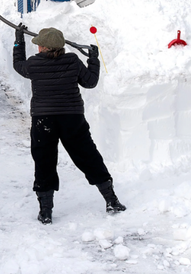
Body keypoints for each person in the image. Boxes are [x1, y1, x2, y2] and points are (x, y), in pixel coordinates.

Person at [13, 25, 126, 225]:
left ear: (44, 48)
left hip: (43, 120)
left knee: (44, 161)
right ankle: (111, 200)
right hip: (72, 118)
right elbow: (90, 82)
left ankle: (45, 211)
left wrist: (18, 42)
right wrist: (93, 60)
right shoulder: (72, 61)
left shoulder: (34, 64)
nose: (37, 47)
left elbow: (18, 65)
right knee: (88, 157)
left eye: (39, 45)